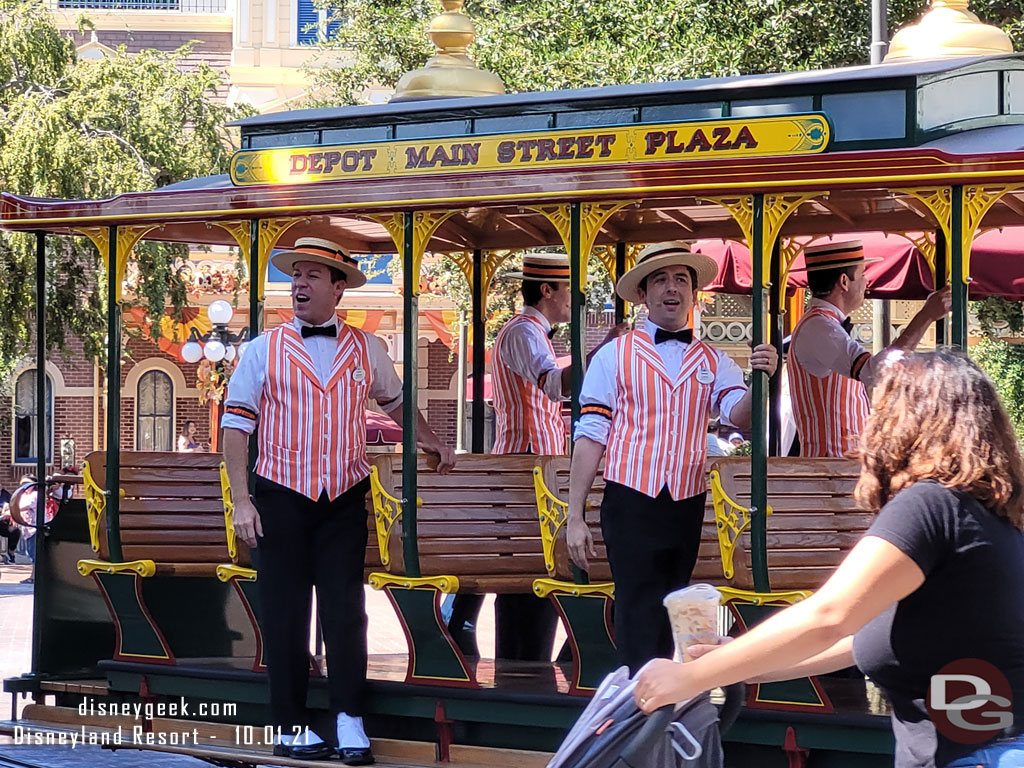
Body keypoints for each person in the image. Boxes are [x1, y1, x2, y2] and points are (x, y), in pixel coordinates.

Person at [636, 349, 1024, 768]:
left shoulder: (930, 505)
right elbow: (859, 639)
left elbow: (829, 615)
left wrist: (689, 678)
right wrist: (734, 664)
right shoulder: (988, 513)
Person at [222, 236, 456, 765]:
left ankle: (349, 717)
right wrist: (242, 500)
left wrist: (433, 440)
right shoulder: (262, 350)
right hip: (280, 494)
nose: (298, 285)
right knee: (285, 612)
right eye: (295, 275)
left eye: (312, 276)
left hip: (344, 496)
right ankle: (288, 722)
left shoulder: (368, 350)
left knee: (345, 611)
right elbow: (235, 427)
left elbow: (397, 403)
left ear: (338, 287)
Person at [567, 241, 779, 674]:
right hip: (630, 498)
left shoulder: (713, 359)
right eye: (660, 279)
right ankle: (639, 705)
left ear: (694, 293)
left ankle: (665, 699)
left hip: (686, 500)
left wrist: (763, 379)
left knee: (675, 604)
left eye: (681, 279)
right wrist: (574, 515)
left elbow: (739, 417)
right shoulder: (614, 356)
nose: (671, 288)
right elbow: (591, 435)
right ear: (643, 294)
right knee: (637, 606)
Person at [460, 252, 623, 663]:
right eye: (569, 289)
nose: (574, 299)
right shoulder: (524, 332)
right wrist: (603, 353)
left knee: (543, 570)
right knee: (534, 572)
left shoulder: (533, 332)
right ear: (548, 290)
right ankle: (528, 663)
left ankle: (543, 659)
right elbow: (555, 386)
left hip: (538, 466)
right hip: (525, 468)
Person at [787, 239, 951, 457]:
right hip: (830, 469)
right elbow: (873, 372)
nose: (866, 282)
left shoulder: (823, 325)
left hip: (840, 467)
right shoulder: (819, 327)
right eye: (862, 274)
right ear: (844, 281)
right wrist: (925, 316)